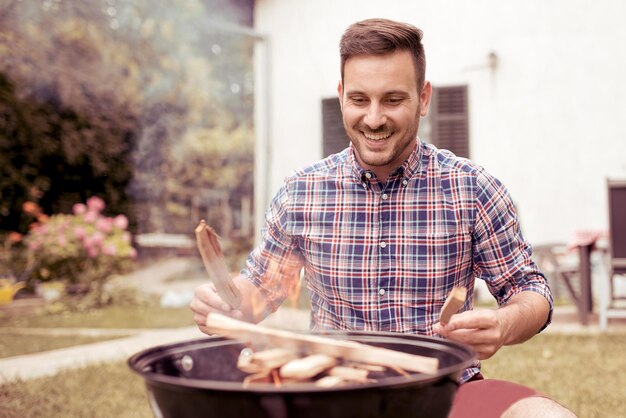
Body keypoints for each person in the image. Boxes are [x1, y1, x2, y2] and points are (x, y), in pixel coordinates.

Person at [191, 18, 576, 417]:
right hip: (332, 394)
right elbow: (258, 293)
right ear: (341, 96)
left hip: (443, 393)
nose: (374, 119)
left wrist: (505, 323)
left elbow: (530, 290)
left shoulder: (473, 189)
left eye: (392, 100)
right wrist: (226, 303)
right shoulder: (300, 193)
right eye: (359, 99)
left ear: (423, 98)